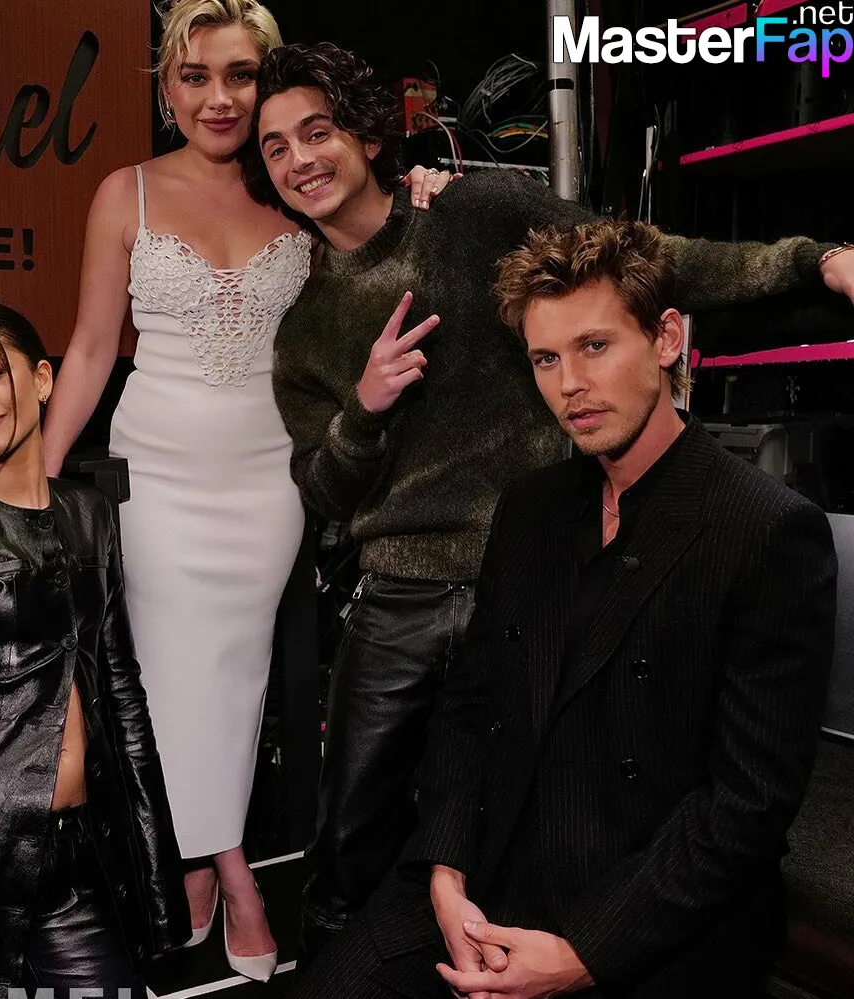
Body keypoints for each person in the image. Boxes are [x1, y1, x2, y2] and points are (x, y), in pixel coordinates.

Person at [247, 40, 854, 959]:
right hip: (402, 598)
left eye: (317, 131)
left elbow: (644, 264)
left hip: (538, 582)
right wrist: (364, 410)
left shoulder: (475, 212)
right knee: (349, 850)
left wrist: (814, 261)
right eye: (276, 147)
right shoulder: (302, 332)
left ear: (367, 135)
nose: (300, 159)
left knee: (551, 822)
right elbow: (324, 494)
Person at [39, 0, 448, 979]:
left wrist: (429, 200)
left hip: (268, 475)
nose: (218, 97)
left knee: (233, 674)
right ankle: (230, 871)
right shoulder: (126, 194)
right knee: (170, 673)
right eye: (196, 76)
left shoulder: (297, 191)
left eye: (240, 75)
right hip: (155, 474)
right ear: (167, 88)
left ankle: (200, 861)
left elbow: (380, 263)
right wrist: (37, 481)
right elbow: (91, 349)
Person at [0, 300, 189, 995]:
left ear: (42, 379)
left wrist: (156, 878)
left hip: (90, 852)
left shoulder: (90, 510)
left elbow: (121, 693)